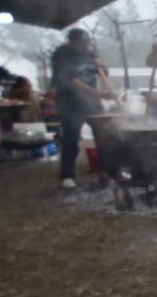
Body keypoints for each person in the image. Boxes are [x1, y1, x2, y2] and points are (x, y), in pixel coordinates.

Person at [51, 28, 118, 188]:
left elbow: (103, 73)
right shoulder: (61, 55)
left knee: (105, 137)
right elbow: (74, 82)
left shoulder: (90, 53)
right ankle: (67, 176)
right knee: (71, 139)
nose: (84, 47)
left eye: (86, 44)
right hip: (70, 103)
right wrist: (100, 95)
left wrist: (102, 66)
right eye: (81, 44)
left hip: (93, 103)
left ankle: (113, 172)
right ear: (71, 42)